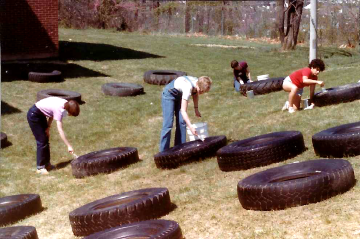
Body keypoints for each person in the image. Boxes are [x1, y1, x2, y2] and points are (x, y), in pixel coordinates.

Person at [27, 97, 80, 174]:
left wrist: (48, 127)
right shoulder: (59, 109)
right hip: (34, 115)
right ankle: (40, 168)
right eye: (71, 114)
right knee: (41, 141)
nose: (70, 115)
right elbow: (60, 130)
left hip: (40, 114)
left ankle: (47, 164)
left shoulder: (65, 103)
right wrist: (68, 145)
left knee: (45, 139)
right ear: (69, 110)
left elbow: (51, 114)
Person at [159, 75, 212, 152]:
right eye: (201, 91)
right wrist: (190, 126)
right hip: (169, 94)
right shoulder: (188, 88)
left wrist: (196, 109)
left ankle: (180, 148)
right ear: (198, 85)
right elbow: (183, 111)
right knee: (168, 124)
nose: (201, 93)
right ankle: (163, 152)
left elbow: (195, 93)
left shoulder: (198, 81)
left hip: (180, 95)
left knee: (182, 122)